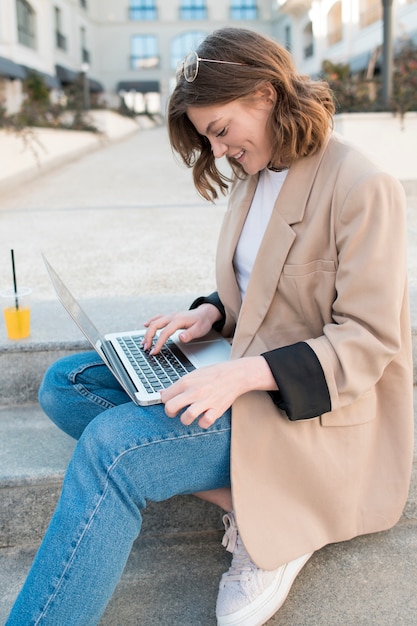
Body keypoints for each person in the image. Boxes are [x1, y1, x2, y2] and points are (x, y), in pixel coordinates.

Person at [7, 26, 413, 626]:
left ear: (267, 94)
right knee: (67, 383)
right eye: (208, 138)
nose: (218, 152)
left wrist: (243, 375)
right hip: (241, 366)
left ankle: (280, 523)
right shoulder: (256, 172)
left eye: (220, 131)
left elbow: (369, 340)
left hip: (307, 408)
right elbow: (268, 281)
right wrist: (210, 313)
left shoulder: (361, 186)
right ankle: (261, 509)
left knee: (114, 448)